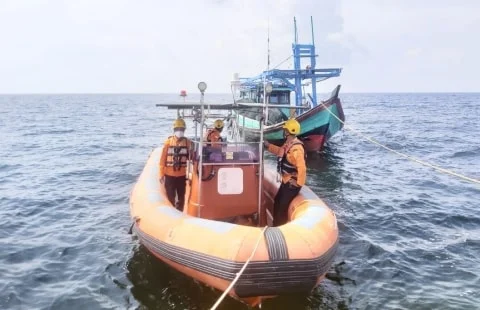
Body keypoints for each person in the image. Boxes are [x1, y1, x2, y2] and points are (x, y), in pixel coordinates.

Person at [264, 118, 306, 226]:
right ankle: (275, 224)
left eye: (285, 130)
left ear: (288, 131)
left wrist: (298, 183)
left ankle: (279, 227)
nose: (284, 132)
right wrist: (268, 146)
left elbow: (302, 168)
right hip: (286, 180)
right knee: (277, 201)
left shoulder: (296, 149)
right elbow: (279, 152)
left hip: (291, 184)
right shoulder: (288, 144)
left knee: (282, 207)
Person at [159, 118, 192, 211]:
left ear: (184, 130)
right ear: (174, 130)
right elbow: (162, 159)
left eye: (181, 129)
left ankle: (179, 212)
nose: (180, 131)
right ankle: (171, 212)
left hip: (181, 175)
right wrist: (161, 174)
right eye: (178, 129)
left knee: (181, 197)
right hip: (169, 175)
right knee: (170, 197)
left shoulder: (188, 143)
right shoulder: (168, 143)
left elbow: (191, 157)